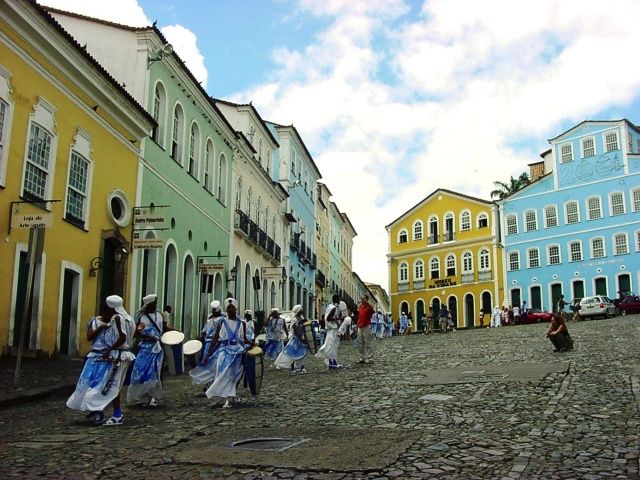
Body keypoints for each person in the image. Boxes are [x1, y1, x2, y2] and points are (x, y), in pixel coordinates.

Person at [66, 295, 136, 426]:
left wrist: (109, 350)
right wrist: (100, 329)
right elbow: (89, 336)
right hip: (96, 358)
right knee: (92, 385)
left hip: (110, 358)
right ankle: (98, 411)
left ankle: (117, 414)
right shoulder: (97, 321)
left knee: (110, 386)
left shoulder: (118, 319)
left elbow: (123, 338)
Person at [204, 298, 253, 408]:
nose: (231, 310)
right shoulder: (222, 322)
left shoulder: (242, 323)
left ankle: (230, 397)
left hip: (237, 353)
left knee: (234, 376)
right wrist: (209, 353)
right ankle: (228, 396)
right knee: (223, 374)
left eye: (233, 308)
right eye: (229, 308)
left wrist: (253, 344)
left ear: (236, 309)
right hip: (225, 352)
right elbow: (216, 338)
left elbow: (244, 339)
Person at [127, 293, 171, 407]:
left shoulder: (160, 315)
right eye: (154, 304)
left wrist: (175, 333)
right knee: (139, 371)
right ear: (148, 305)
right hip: (144, 348)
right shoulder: (141, 317)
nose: (156, 306)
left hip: (157, 349)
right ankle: (140, 395)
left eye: (156, 303)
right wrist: (141, 332)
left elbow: (164, 329)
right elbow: (136, 333)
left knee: (155, 372)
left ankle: (153, 397)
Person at [189, 300, 223, 388]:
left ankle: (213, 383)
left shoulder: (222, 319)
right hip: (208, 344)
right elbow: (204, 332)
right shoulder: (209, 320)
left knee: (215, 364)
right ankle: (208, 382)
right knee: (207, 364)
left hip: (218, 344)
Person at [275, 304, 309, 374]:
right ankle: (292, 368)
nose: (303, 310)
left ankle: (302, 368)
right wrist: (301, 339)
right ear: (299, 310)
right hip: (295, 339)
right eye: (301, 309)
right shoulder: (294, 319)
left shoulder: (302, 318)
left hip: (301, 338)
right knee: (292, 354)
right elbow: (295, 330)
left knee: (304, 353)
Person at [318, 297, 345, 369]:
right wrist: (338, 318)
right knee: (333, 345)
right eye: (339, 300)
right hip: (333, 328)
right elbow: (328, 318)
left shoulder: (329, 306)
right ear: (337, 300)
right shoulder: (333, 308)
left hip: (331, 329)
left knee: (331, 345)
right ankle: (332, 362)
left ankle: (332, 362)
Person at [356, 295, 374, 364]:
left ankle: (370, 358)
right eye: (361, 298)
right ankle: (362, 357)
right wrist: (358, 323)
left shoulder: (369, 307)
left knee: (368, 342)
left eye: (363, 298)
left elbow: (372, 310)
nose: (361, 300)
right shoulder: (360, 307)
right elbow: (359, 316)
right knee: (360, 343)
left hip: (367, 326)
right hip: (360, 326)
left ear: (366, 299)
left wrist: (367, 303)